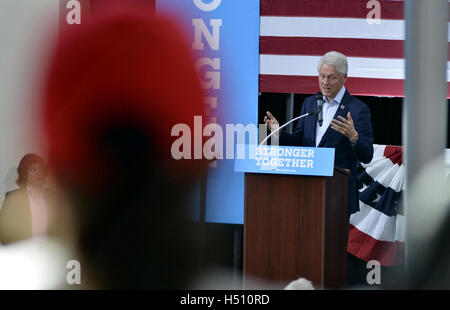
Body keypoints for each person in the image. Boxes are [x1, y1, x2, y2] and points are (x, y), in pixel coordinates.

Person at [264, 51, 374, 215]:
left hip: (337, 194)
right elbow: (301, 141)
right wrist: (277, 133)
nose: (325, 82)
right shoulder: (310, 104)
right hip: (306, 189)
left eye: (331, 77)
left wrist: (353, 137)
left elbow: (367, 155)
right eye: (322, 76)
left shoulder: (358, 110)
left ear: (344, 77)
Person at [0, 153, 57, 244]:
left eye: (40, 168)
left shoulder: (53, 197)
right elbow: (4, 231)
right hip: (23, 254)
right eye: (33, 169)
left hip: (49, 254)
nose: (39, 173)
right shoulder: (12, 198)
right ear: (24, 174)